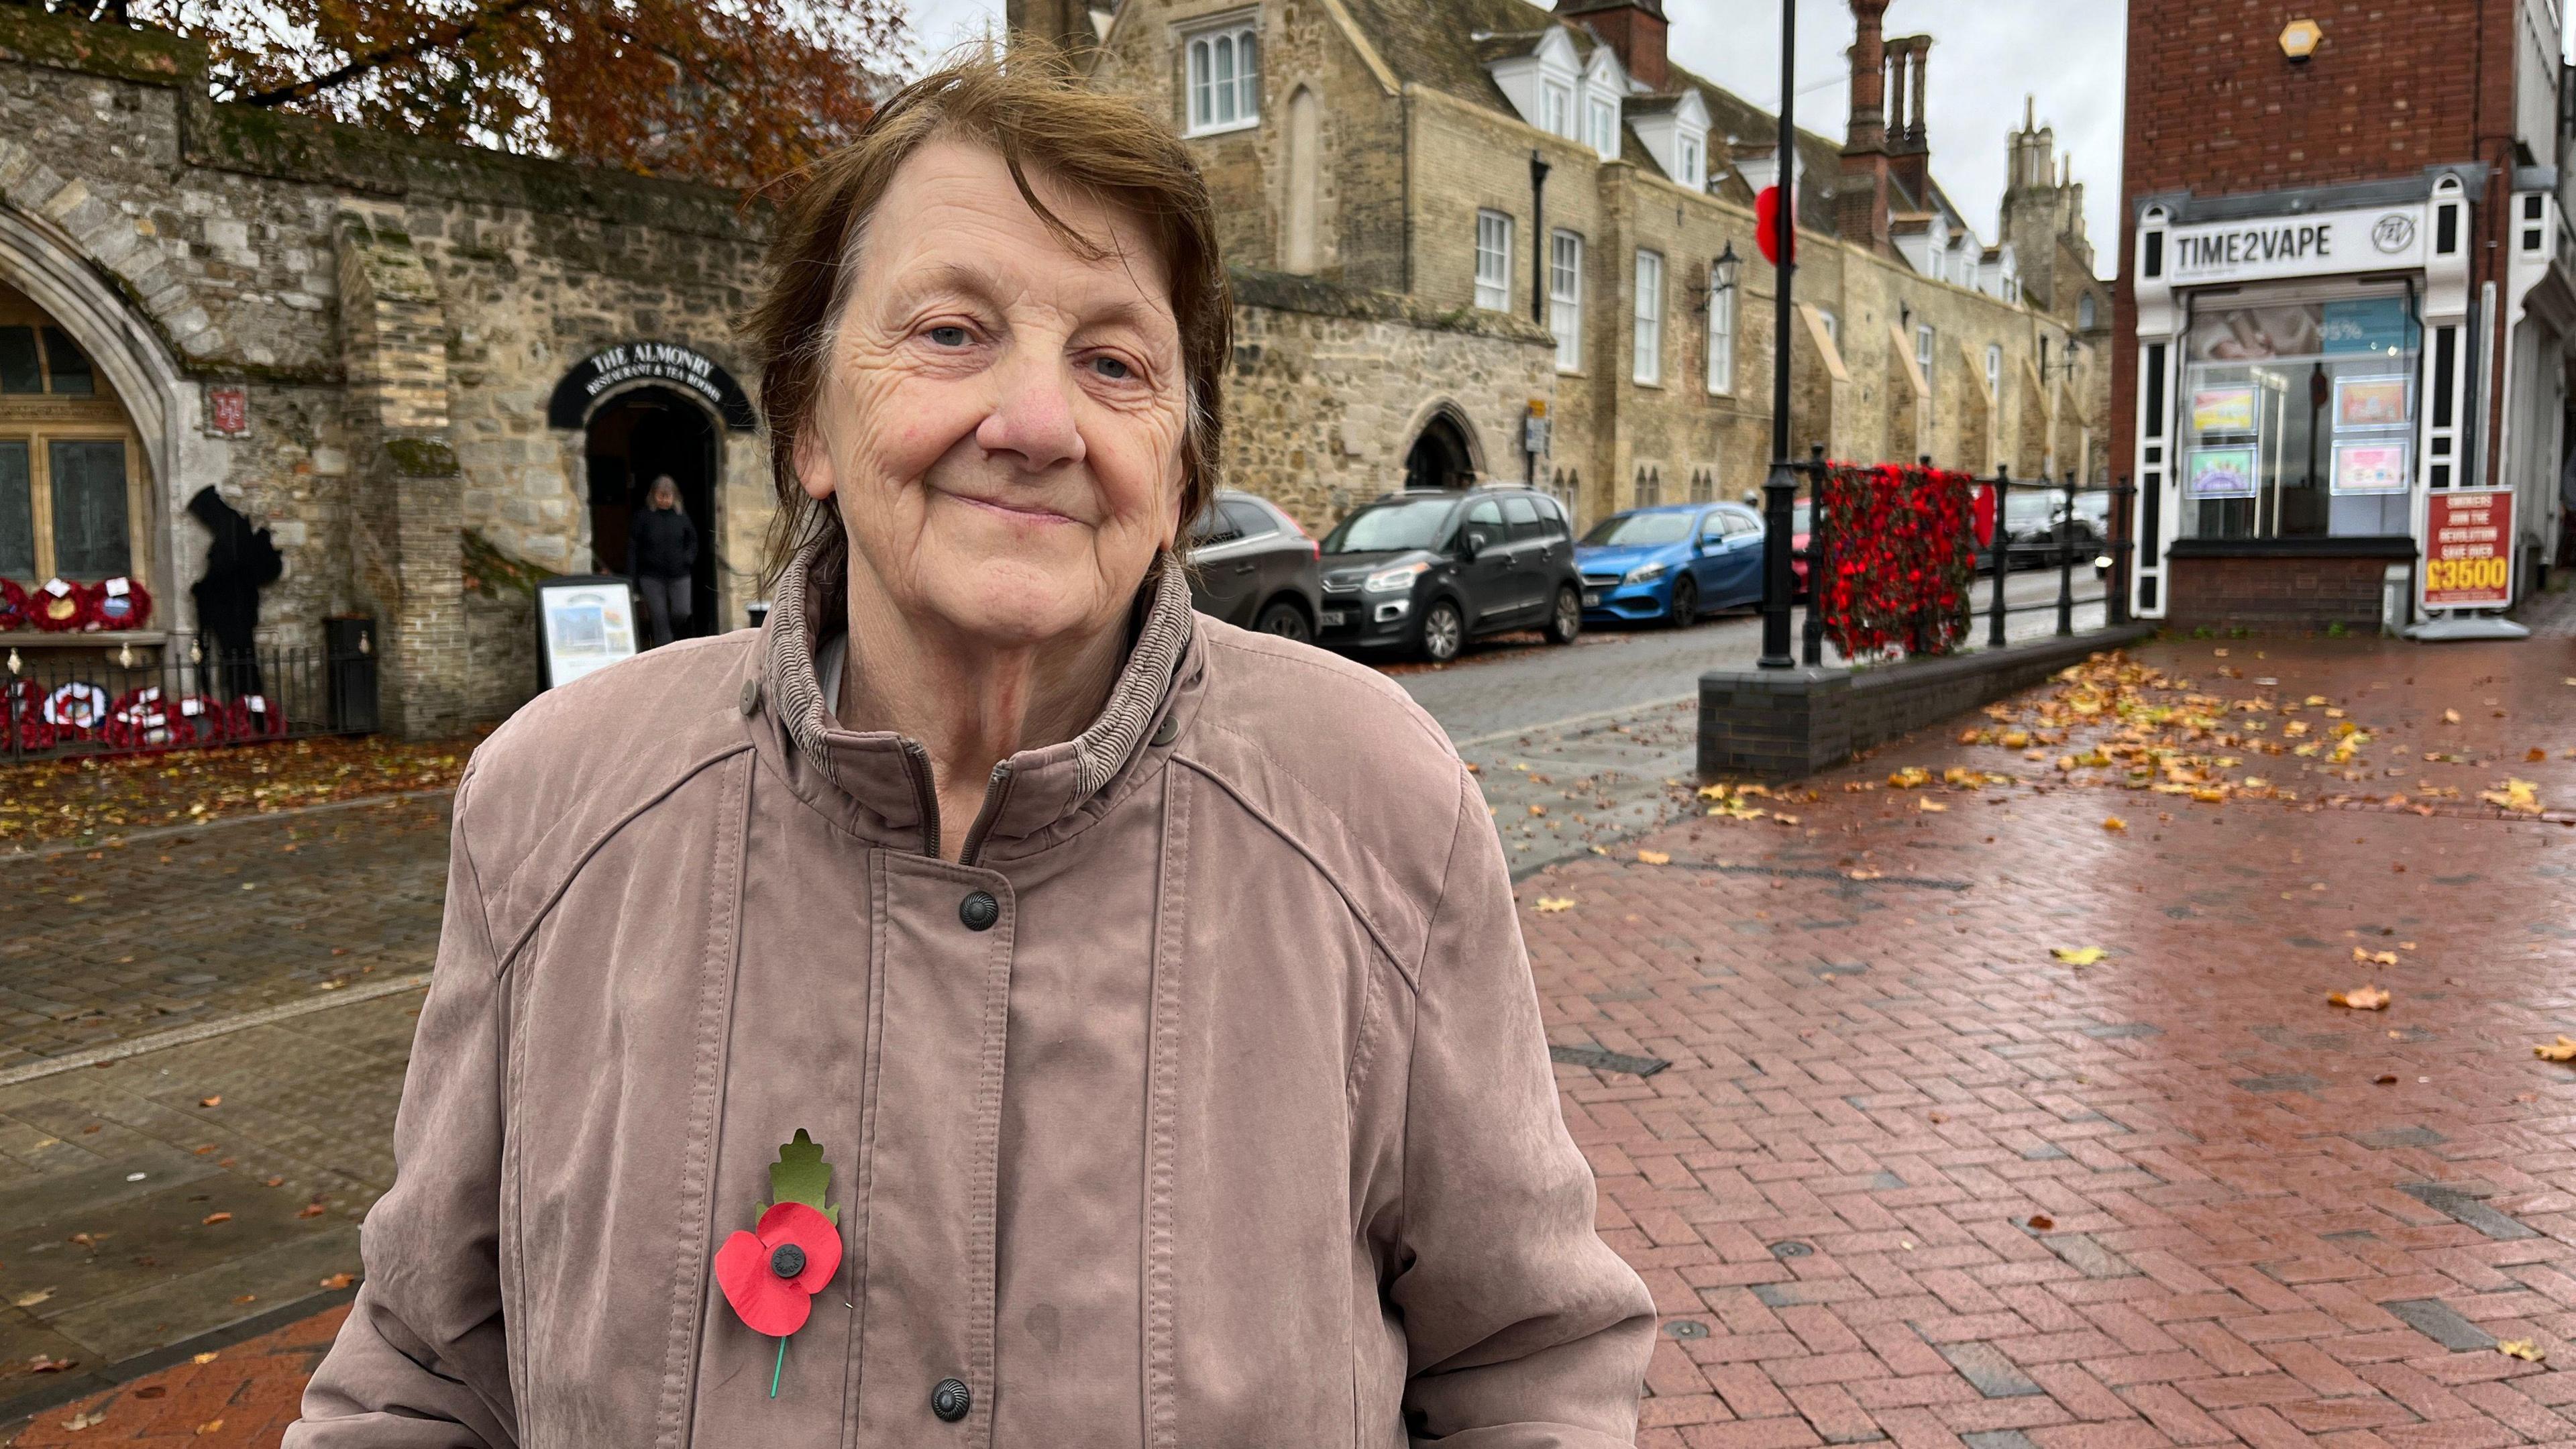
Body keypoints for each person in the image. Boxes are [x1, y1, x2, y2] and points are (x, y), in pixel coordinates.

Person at [288, 52, 1653, 1449]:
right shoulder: (555, 809)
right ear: (812, 419)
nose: (1035, 426)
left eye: (1115, 363)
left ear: (1179, 471)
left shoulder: (1380, 808)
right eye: (949, 333)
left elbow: (1530, 1368)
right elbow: (419, 1373)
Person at [629, 474, 698, 647]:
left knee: (681, 612)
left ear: (675, 497)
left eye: (669, 496)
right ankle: (665, 653)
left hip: (679, 574)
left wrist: (687, 559)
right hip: (651, 577)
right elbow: (633, 547)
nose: (665, 500)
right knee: (659, 619)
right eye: (661, 495)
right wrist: (632, 578)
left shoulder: (681, 517)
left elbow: (693, 540)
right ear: (653, 496)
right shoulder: (643, 517)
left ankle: (675, 637)